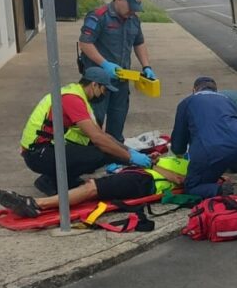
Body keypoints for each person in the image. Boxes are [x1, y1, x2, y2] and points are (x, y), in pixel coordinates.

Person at [18, 66, 153, 193]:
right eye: (104, 90)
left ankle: (63, 178)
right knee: (101, 152)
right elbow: (99, 139)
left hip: (41, 150)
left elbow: (102, 135)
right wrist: (129, 158)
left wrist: (129, 151)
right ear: (94, 85)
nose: (104, 95)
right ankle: (50, 181)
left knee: (100, 146)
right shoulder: (72, 99)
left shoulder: (77, 95)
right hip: (38, 154)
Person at [0, 154, 189, 219]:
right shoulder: (181, 156)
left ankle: (36, 203)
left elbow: (180, 180)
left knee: (91, 188)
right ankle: (53, 195)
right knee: (88, 186)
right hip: (136, 175)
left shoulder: (193, 166)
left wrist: (152, 165)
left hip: (143, 181)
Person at [78, 0, 157, 141]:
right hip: (97, 82)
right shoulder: (99, 16)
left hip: (121, 79)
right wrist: (105, 64)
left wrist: (146, 66)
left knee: (118, 119)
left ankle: (114, 152)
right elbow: (85, 43)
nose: (132, 12)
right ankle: (93, 153)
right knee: (95, 121)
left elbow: (139, 43)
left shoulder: (133, 19)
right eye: (130, 7)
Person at [171, 76, 237, 198]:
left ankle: (219, 190)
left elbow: (178, 146)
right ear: (216, 91)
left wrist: (182, 153)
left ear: (194, 90)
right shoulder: (227, 100)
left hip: (209, 153)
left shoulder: (186, 103)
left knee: (192, 186)